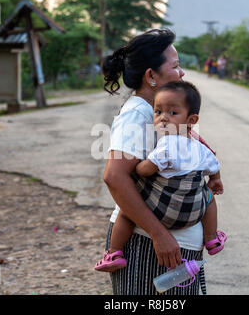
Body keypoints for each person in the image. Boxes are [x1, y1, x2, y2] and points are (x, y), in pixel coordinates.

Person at [100, 28, 220, 295]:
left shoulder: (162, 113)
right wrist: (159, 234)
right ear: (151, 76)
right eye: (175, 66)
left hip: (171, 245)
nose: (182, 73)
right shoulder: (137, 115)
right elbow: (114, 176)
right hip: (148, 244)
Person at [94, 81, 227, 274]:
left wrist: (137, 168)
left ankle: (114, 252)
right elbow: (214, 165)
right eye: (158, 112)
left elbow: (145, 170)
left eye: (172, 113)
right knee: (208, 197)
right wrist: (215, 179)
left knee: (127, 210)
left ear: (191, 119)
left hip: (163, 212)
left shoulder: (166, 145)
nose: (163, 118)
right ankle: (212, 238)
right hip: (190, 215)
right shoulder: (199, 147)